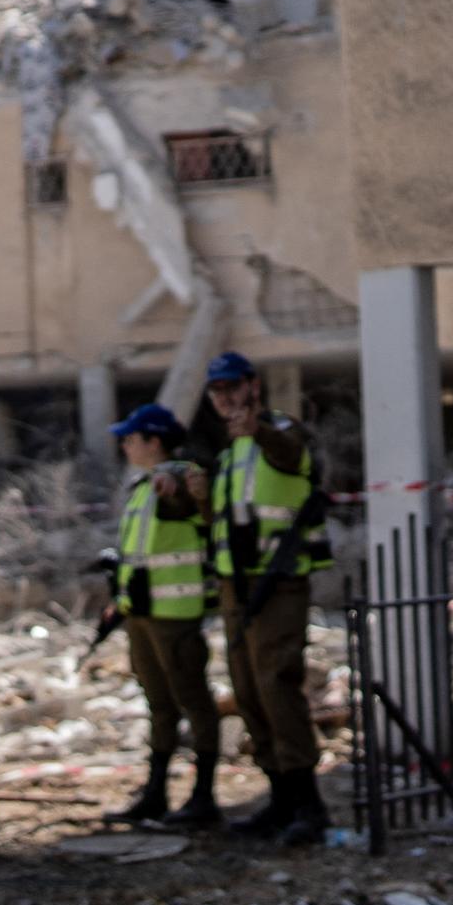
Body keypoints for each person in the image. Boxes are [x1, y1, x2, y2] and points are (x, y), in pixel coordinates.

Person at [199, 352, 332, 842]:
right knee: (249, 689)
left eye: (233, 388)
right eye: (217, 391)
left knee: (277, 684)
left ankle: (308, 805)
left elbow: (290, 455)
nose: (226, 399)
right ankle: (279, 796)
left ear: (253, 387)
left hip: (278, 580)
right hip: (237, 583)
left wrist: (256, 428)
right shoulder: (231, 451)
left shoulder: (276, 431)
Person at [100, 404, 221, 831]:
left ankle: (204, 796)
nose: (124, 445)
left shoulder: (182, 479)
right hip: (144, 613)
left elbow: (196, 506)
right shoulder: (143, 485)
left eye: (131, 438)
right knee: (160, 705)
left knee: (193, 702)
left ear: (154, 441)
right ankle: (155, 794)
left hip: (176, 614)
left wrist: (186, 491)